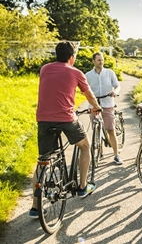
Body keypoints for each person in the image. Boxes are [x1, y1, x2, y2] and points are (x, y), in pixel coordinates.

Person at [30, 41, 102, 219]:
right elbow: (89, 95)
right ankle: (83, 187)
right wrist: (97, 107)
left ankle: (35, 207)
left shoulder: (45, 69)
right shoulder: (76, 72)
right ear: (72, 57)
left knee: (43, 161)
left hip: (43, 119)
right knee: (84, 146)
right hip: (66, 119)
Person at [85, 52, 122, 165]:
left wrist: (114, 92)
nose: (101, 62)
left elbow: (117, 85)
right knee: (96, 130)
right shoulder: (88, 75)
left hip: (107, 103)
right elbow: (84, 89)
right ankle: (99, 151)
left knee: (110, 129)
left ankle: (116, 155)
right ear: (93, 61)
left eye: (102, 60)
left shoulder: (109, 73)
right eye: (99, 60)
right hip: (94, 105)